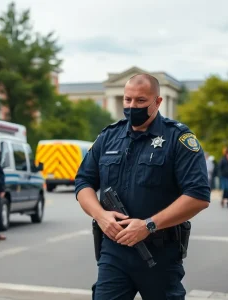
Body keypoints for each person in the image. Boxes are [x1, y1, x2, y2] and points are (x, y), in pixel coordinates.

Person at [75, 74, 210, 300]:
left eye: (140, 101)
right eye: (128, 100)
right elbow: (83, 182)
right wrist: (101, 216)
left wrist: (148, 225)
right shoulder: (109, 137)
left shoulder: (178, 138)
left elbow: (198, 196)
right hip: (114, 251)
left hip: (159, 254)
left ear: (158, 102)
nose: (131, 106)